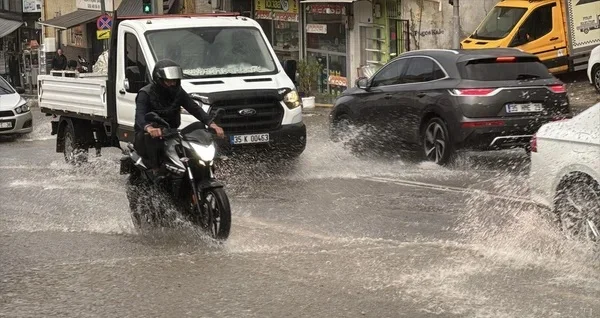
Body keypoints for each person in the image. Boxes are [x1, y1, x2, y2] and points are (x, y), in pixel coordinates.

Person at [134, 59, 225, 178]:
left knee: (199, 128)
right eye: (168, 81)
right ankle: (156, 171)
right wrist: (149, 128)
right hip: (148, 135)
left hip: (171, 131)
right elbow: (139, 116)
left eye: (175, 81)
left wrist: (211, 123)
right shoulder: (145, 93)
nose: (172, 84)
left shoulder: (178, 92)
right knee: (154, 141)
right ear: (158, 80)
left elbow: (194, 108)